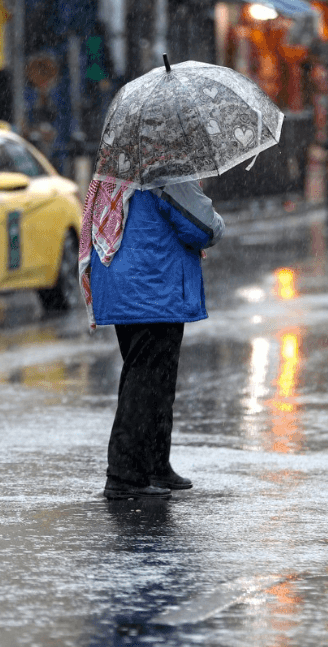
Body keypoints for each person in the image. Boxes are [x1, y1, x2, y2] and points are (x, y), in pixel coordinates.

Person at [82, 178, 225, 500]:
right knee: (146, 381)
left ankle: (155, 464)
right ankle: (125, 474)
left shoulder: (120, 169)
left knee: (154, 378)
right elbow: (201, 227)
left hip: (128, 281)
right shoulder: (166, 172)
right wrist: (218, 221)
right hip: (152, 285)